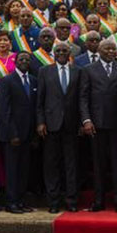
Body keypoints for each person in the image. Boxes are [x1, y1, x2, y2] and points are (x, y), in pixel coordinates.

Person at [80, 39, 117, 212]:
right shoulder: (88, 69)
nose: (110, 51)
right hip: (96, 124)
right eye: (107, 48)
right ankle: (99, 200)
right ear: (99, 50)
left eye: (113, 49)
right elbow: (84, 97)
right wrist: (86, 120)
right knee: (98, 164)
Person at [37, 41, 81, 213]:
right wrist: (40, 122)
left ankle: (71, 200)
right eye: (58, 50)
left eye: (65, 50)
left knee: (71, 164)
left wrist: (81, 122)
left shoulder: (78, 71)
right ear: (54, 53)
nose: (61, 52)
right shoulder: (44, 71)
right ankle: (53, 201)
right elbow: (39, 100)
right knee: (51, 164)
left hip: (71, 125)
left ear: (70, 53)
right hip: (50, 125)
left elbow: (81, 99)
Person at [0, 51, 37, 213]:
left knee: (24, 169)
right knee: (12, 170)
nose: (24, 62)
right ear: (16, 61)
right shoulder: (7, 81)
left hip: (28, 133)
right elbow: (4, 110)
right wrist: (12, 133)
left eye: (27, 59)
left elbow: (34, 108)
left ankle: (20, 200)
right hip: (12, 134)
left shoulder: (34, 80)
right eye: (21, 59)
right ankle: (11, 202)